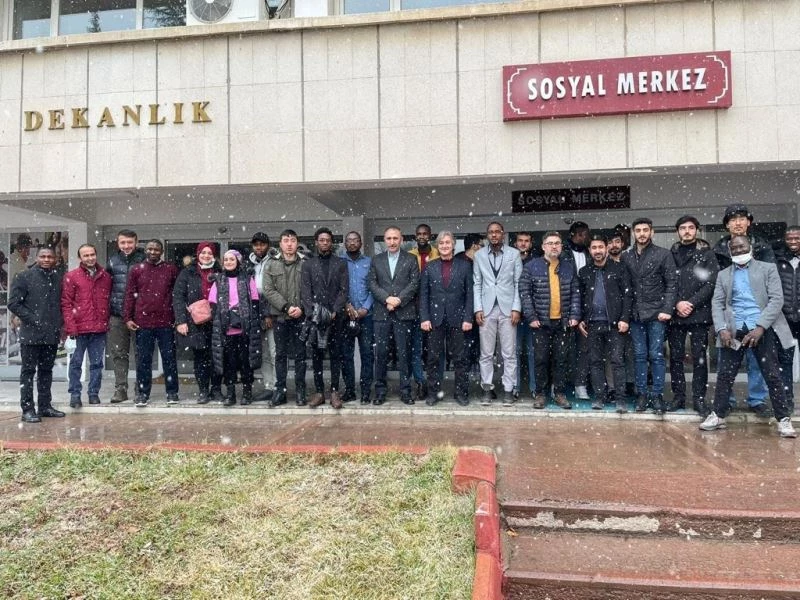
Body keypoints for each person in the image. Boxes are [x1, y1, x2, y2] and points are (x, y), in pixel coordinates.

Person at [700, 235, 796, 438]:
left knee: (772, 374)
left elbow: (777, 300)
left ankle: (783, 419)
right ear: (729, 251)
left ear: (750, 247)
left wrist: (760, 328)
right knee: (725, 375)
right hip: (733, 330)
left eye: (741, 247)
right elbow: (717, 304)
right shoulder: (724, 274)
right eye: (734, 248)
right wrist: (722, 329)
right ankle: (718, 414)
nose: (738, 251)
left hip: (762, 328)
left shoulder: (767, 269)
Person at [712, 204, 773, 416]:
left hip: (757, 313)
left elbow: (771, 282)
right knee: (726, 362)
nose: (737, 223)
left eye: (741, 218)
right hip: (729, 313)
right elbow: (714, 283)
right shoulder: (718, 250)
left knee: (757, 360)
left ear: (749, 222)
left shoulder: (762, 247)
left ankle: (757, 399)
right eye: (733, 219)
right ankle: (726, 400)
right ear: (727, 225)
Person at [622, 217, 677, 414]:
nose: (642, 234)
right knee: (639, 356)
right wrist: (625, 315)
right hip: (635, 314)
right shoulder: (626, 256)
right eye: (638, 230)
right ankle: (642, 394)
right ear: (633, 233)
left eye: (645, 230)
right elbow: (626, 288)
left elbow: (672, 284)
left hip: (657, 314)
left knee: (656, 355)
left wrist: (667, 309)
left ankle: (657, 395)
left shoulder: (663, 254)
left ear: (652, 232)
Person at [520, 231, 580, 409]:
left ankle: (559, 393)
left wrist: (574, 315)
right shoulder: (531, 266)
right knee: (541, 360)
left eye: (557, 243)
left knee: (561, 360)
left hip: (563, 322)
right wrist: (531, 316)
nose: (554, 246)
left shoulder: (568, 267)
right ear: (543, 246)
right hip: (540, 323)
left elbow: (576, 293)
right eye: (550, 243)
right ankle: (540, 394)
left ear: (561, 246)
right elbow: (525, 293)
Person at [667, 216, 719, 415]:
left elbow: (711, 283)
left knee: (700, 359)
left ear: (697, 230)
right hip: (675, 314)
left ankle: (699, 399)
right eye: (683, 228)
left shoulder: (707, 254)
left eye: (690, 227)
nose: (687, 231)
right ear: (677, 231)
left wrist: (691, 303)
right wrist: (677, 303)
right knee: (676, 358)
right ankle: (679, 397)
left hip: (699, 314)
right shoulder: (671, 254)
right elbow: (666, 281)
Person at [8, 246, 65, 423]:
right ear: (37, 258)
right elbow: (13, 304)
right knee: (28, 372)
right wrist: (34, 319)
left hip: (51, 334)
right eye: (43, 256)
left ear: (55, 259)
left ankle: (45, 406)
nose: (46, 260)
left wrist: (59, 324)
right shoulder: (24, 277)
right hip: (31, 334)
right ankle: (27, 409)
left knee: (46, 371)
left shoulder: (57, 278)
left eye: (50, 257)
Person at [577, 234, 632, 412]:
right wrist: (581, 319)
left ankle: (620, 399)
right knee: (595, 362)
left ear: (607, 248)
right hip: (592, 324)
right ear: (589, 250)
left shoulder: (619, 268)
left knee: (617, 361)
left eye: (600, 247)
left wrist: (624, 318)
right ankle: (600, 397)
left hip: (615, 324)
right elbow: (580, 298)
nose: (598, 251)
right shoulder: (584, 272)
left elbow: (628, 296)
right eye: (594, 248)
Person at [123, 239, 180, 407]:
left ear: (161, 251)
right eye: (150, 249)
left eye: (156, 249)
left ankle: (172, 392)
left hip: (166, 321)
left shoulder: (170, 269)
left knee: (169, 358)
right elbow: (130, 294)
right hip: (143, 322)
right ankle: (143, 393)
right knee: (144, 360)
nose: (153, 252)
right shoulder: (136, 269)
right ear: (145, 250)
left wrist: (177, 317)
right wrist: (128, 317)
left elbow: (177, 294)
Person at [419, 231, 473, 405]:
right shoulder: (429, 267)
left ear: (453, 245)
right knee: (433, 358)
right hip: (434, 319)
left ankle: (461, 393)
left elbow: (470, 294)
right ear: (437, 245)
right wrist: (424, 318)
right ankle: (433, 393)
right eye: (441, 243)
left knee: (460, 358)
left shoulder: (465, 266)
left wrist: (468, 318)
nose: (444, 246)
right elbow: (424, 294)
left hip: (458, 319)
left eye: (448, 242)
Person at [368, 226, 420, 405]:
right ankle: (380, 391)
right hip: (382, 314)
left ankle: (406, 391)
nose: (392, 242)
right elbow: (372, 283)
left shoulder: (411, 259)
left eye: (395, 238)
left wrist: (398, 300)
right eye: (389, 238)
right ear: (384, 240)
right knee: (381, 354)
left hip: (403, 313)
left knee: (404, 354)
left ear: (401, 240)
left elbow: (414, 283)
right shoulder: (376, 260)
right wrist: (387, 299)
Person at [473, 221, 522, 406]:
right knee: (486, 353)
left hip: (508, 309)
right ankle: (487, 388)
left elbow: (518, 283)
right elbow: (477, 283)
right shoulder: (479, 255)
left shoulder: (514, 254)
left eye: (497, 232)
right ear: (487, 235)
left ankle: (508, 390)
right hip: (486, 310)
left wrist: (516, 308)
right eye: (490, 232)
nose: (494, 235)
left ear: (503, 234)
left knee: (509, 353)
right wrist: (478, 308)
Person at [301, 228, 349, 409]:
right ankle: (320, 392)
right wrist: (314, 312)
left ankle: (335, 391)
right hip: (316, 319)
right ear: (316, 242)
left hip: (336, 318)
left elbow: (344, 290)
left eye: (328, 240)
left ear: (331, 243)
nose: (325, 243)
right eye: (321, 240)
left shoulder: (341, 263)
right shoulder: (308, 265)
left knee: (336, 355)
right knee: (317, 356)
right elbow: (305, 291)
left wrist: (335, 310)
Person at [61, 244, 112, 409]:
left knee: (97, 364)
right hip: (78, 329)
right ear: (80, 258)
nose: (90, 258)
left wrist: (106, 321)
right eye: (86, 255)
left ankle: (93, 394)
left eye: (92, 254)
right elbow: (66, 304)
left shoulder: (106, 277)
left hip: (99, 328)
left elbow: (108, 301)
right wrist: (71, 327)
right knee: (76, 364)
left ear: (96, 255)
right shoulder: (72, 276)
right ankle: (75, 395)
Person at [209, 250, 262, 406]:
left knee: (246, 362)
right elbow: (213, 304)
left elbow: (254, 301)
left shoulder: (247, 279)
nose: (228, 262)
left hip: (244, 329)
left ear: (238, 261)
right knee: (229, 363)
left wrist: (247, 318)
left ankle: (247, 393)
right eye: (226, 259)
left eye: (232, 259)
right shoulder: (219, 280)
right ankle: (230, 394)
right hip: (226, 330)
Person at [173, 242, 223, 404]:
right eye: (203, 253)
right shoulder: (187, 272)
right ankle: (203, 391)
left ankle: (216, 389)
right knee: (200, 357)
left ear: (214, 256)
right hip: (196, 321)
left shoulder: (220, 272)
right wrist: (181, 320)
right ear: (198, 254)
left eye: (209, 253)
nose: (206, 256)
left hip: (217, 320)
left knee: (217, 356)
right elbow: (178, 297)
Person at [264, 229, 307, 407]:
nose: (289, 244)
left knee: (300, 355)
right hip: (280, 317)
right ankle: (280, 391)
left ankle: (300, 391)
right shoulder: (271, 264)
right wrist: (287, 307)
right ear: (280, 244)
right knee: (280, 355)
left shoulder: (305, 263)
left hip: (301, 317)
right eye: (286, 241)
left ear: (297, 243)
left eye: (293, 240)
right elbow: (268, 290)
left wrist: (302, 308)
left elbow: (310, 288)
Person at [107, 229, 145, 403]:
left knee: (141, 353)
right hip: (117, 315)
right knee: (119, 353)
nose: (126, 246)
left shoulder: (144, 260)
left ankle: (141, 387)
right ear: (118, 243)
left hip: (139, 315)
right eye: (123, 242)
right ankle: (120, 389)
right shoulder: (113, 261)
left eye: (130, 242)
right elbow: (107, 287)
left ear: (136, 242)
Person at [342, 231, 374, 405]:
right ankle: (349, 391)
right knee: (346, 355)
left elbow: (374, 287)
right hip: (345, 316)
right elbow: (337, 287)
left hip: (366, 316)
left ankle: (366, 391)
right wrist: (346, 305)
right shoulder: (339, 262)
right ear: (345, 243)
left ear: (361, 243)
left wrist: (365, 308)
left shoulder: (369, 262)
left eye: (356, 240)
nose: (352, 243)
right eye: (349, 240)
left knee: (367, 354)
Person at [408, 223, 440, 401]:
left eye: (425, 234)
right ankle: (420, 382)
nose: (422, 236)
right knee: (416, 349)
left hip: (434, 309)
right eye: (419, 234)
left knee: (434, 350)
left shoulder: (438, 254)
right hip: (413, 309)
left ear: (430, 235)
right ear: (415, 236)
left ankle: (435, 384)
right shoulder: (409, 255)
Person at [248, 232, 278, 402]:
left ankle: (278, 386)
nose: (259, 247)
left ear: (268, 245)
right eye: (256, 244)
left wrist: (268, 313)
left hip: (272, 313)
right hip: (255, 315)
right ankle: (268, 386)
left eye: (262, 244)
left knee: (275, 352)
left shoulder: (275, 261)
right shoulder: (249, 264)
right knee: (264, 353)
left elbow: (271, 291)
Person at [775, 225, 800, 411]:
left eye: (797, 238)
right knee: (785, 360)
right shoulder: (778, 260)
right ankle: (787, 401)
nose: (793, 242)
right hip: (784, 319)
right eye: (789, 239)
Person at [514, 232, 537, 399]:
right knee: (513, 353)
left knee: (533, 353)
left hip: (533, 315)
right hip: (513, 315)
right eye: (520, 241)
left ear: (531, 243)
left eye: (526, 241)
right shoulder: (509, 260)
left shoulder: (536, 262)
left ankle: (535, 388)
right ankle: (514, 387)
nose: (523, 244)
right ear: (515, 243)